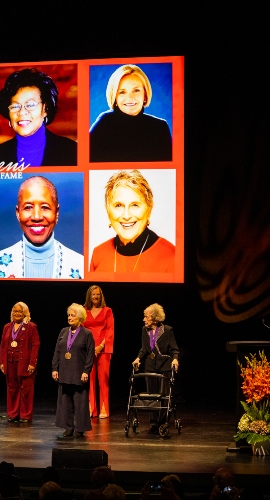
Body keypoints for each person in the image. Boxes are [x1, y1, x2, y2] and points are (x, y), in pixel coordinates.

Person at [0, 176, 84, 279]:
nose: (36, 217)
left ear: (56, 213)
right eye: (28, 207)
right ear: (18, 213)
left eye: (45, 207)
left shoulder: (79, 265)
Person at [89, 170, 175, 273]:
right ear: (108, 210)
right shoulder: (98, 254)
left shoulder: (171, 256)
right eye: (118, 205)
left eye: (135, 205)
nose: (126, 216)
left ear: (149, 208)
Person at [0, 68, 77, 167]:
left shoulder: (72, 151)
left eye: (30, 105)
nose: (22, 112)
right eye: (15, 106)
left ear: (45, 109)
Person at [90, 64, 172, 162]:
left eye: (136, 90)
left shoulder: (160, 127)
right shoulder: (104, 124)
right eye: (122, 92)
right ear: (114, 97)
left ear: (145, 95)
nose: (130, 97)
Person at [132, 303, 179, 431]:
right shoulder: (144, 330)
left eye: (146, 317)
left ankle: (163, 421)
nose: (144, 319)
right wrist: (138, 358)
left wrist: (175, 360)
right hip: (150, 366)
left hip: (164, 366)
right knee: (151, 395)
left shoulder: (167, 330)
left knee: (163, 395)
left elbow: (174, 349)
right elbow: (143, 349)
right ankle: (153, 422)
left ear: (155, 318)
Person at [52, 303, 94, 438]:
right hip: (64, 371)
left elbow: (90, 355)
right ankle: (68, 428)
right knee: (65, 401)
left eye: (73, 315)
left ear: (80, 318)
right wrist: (54, 368)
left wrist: (86, 371)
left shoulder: (87, 334)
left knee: (80, 402)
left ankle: (80, 429)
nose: (69, 318)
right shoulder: (63, 332)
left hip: (79, 372)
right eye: (69, 315)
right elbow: (57, 351)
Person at [0, 302, 40, 423]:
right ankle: (13, 414)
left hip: (25, 362)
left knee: (26, 389)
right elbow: (2, 345)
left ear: (25, 313)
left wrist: (33, 363)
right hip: (10, 361)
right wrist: (2, 362)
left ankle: (25, 415)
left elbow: (35, 345)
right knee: (12, 388)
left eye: (19, 311)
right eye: (15, 311)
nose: (17, 313)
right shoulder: (7, 327)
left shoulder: (30, 326)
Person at [83, 285, 114, 419]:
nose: (96, 297)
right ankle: (91, 408)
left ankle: (103, 408)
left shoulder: (107, 311)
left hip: (104, 349)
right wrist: (90, 348)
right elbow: (81, 330)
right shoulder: (84, 311)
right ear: (89, 296)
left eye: (98, 294)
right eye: (93, 294)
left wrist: (101, 346)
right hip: (88, 349)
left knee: (103, 379)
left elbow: (110, 330)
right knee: (89, 379)